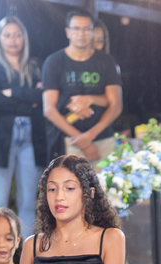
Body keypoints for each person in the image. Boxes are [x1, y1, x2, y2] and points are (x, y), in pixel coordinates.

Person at [0, 16, 47, 241]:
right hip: (0, 139)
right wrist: (28, 100)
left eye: (17, 35)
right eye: (7, 35)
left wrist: (12, 93)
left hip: (32, 137)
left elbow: (42, 97)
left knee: (28, 202)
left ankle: (25, 254)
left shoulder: (35, 65)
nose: (13, 40)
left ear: (24, 38)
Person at [42, 11, 123, 165]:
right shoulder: (54, 62)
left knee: (105, 181)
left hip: (103, 140)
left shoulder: (107, 62)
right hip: (68, 141)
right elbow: (49, 110)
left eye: (86, 29)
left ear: (92, 32)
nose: (81, 33)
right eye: (76, 28)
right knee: (70, 181)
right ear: (68, 32)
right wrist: (82, 141)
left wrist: (90, 135)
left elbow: (116, 106)